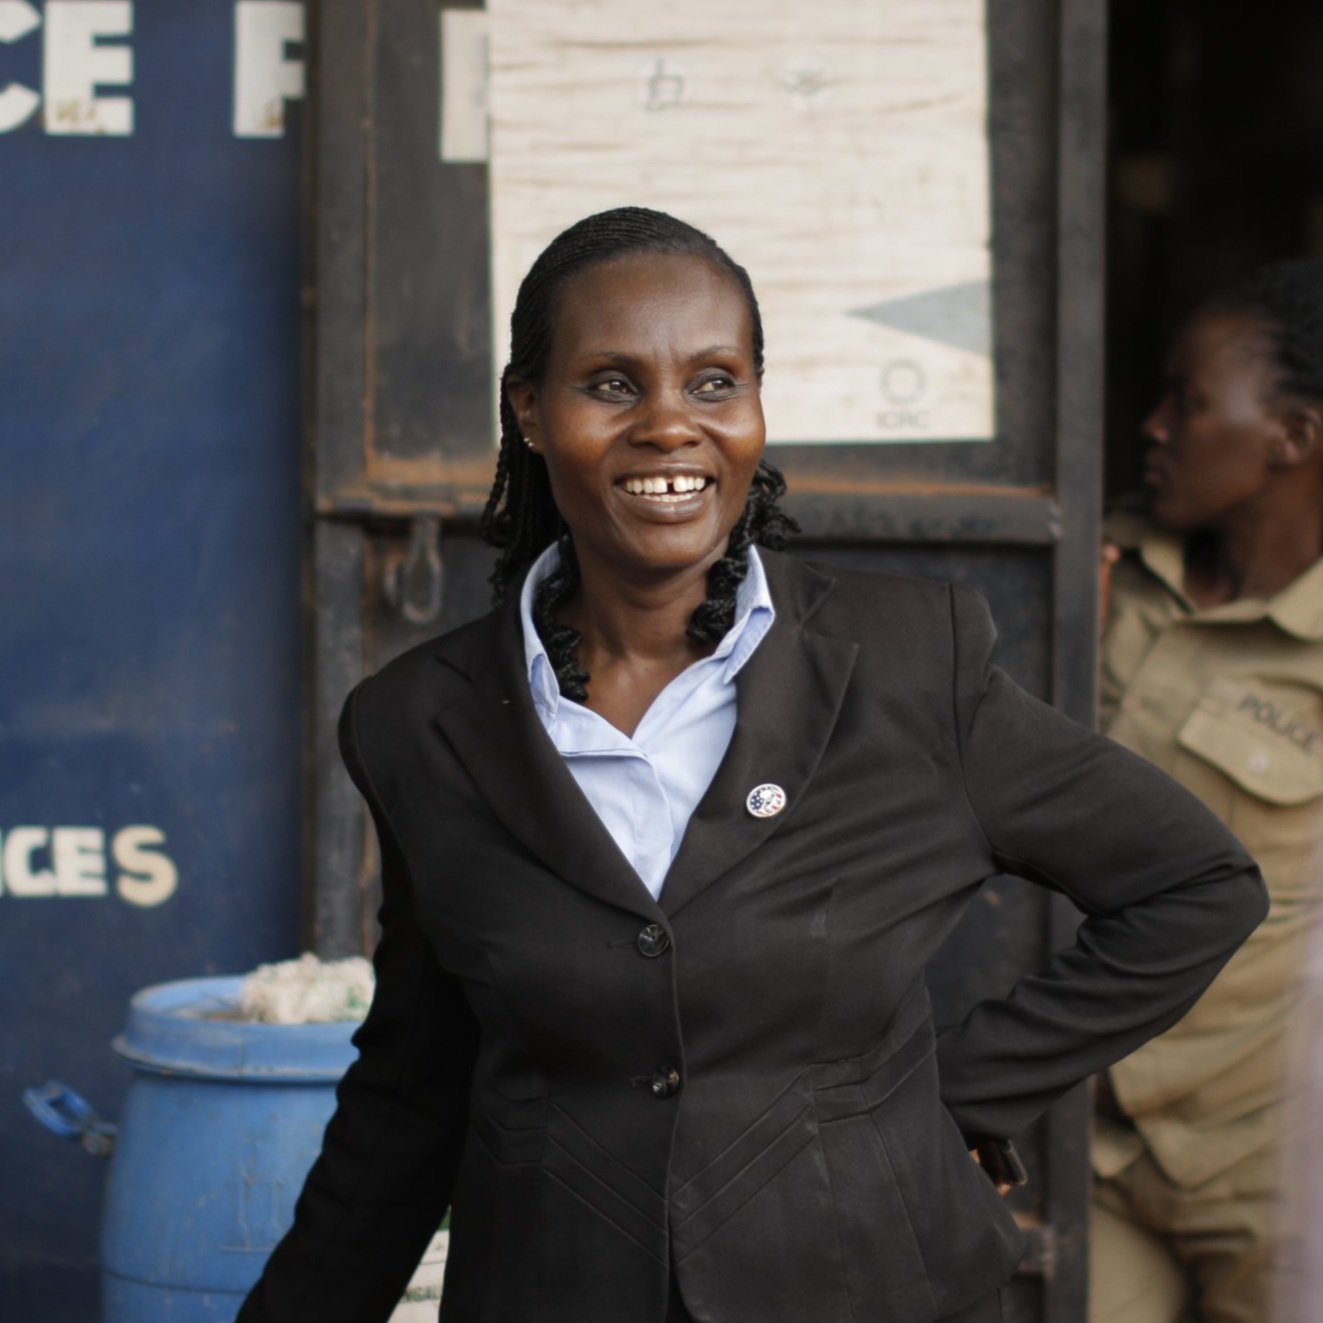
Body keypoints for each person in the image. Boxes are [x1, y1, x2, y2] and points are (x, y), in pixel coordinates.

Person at [239, 207, 1266, 1323]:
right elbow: (413, 1088)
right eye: (614, 385)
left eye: (715, 383)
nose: (671, 425)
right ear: (528, 410)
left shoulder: (910, 666)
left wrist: (946, 1101)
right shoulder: (420, 725)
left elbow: (1195, 885)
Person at [1089, 259, 1323, 1323]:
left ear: (1292, 438)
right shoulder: (1102, 565)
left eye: (1189, 403)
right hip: (1086, 1132)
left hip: (1266, 1160)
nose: (1154, 426)